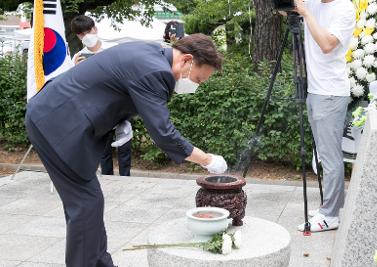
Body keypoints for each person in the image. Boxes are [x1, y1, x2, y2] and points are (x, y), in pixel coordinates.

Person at [25, 33, 227, 266]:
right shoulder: (156, 71)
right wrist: (207, 159)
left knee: (88, 203)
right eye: (199, 80)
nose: (195, 86)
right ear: (186, 60)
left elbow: (111, 86)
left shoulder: (151, 54)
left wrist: (122, 120)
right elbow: (164, 134)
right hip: (56, 123)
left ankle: (100, 263)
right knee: (85, 204)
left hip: (55, 116)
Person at [289, 0, 355, 232]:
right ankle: (330, 206)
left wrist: (306, 11)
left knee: (330, 156)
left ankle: (330, 216)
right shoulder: (314, 4)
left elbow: (327, 44)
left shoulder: (344, 8)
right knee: (324, 153)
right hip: (315, 90)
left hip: (330, 92)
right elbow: (285, 9)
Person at [71, 15, 132, 176]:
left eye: (88, 31)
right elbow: (76, 87)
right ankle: (107, 179)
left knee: (124, 147)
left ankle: (126, 179)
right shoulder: (78, 57)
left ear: (95, 29)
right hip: (96, 109)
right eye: (81, 34)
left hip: (118, 104)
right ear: (78, 36)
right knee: (103, 151)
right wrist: (77, 70)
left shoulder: (113, 50)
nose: (86, 36)